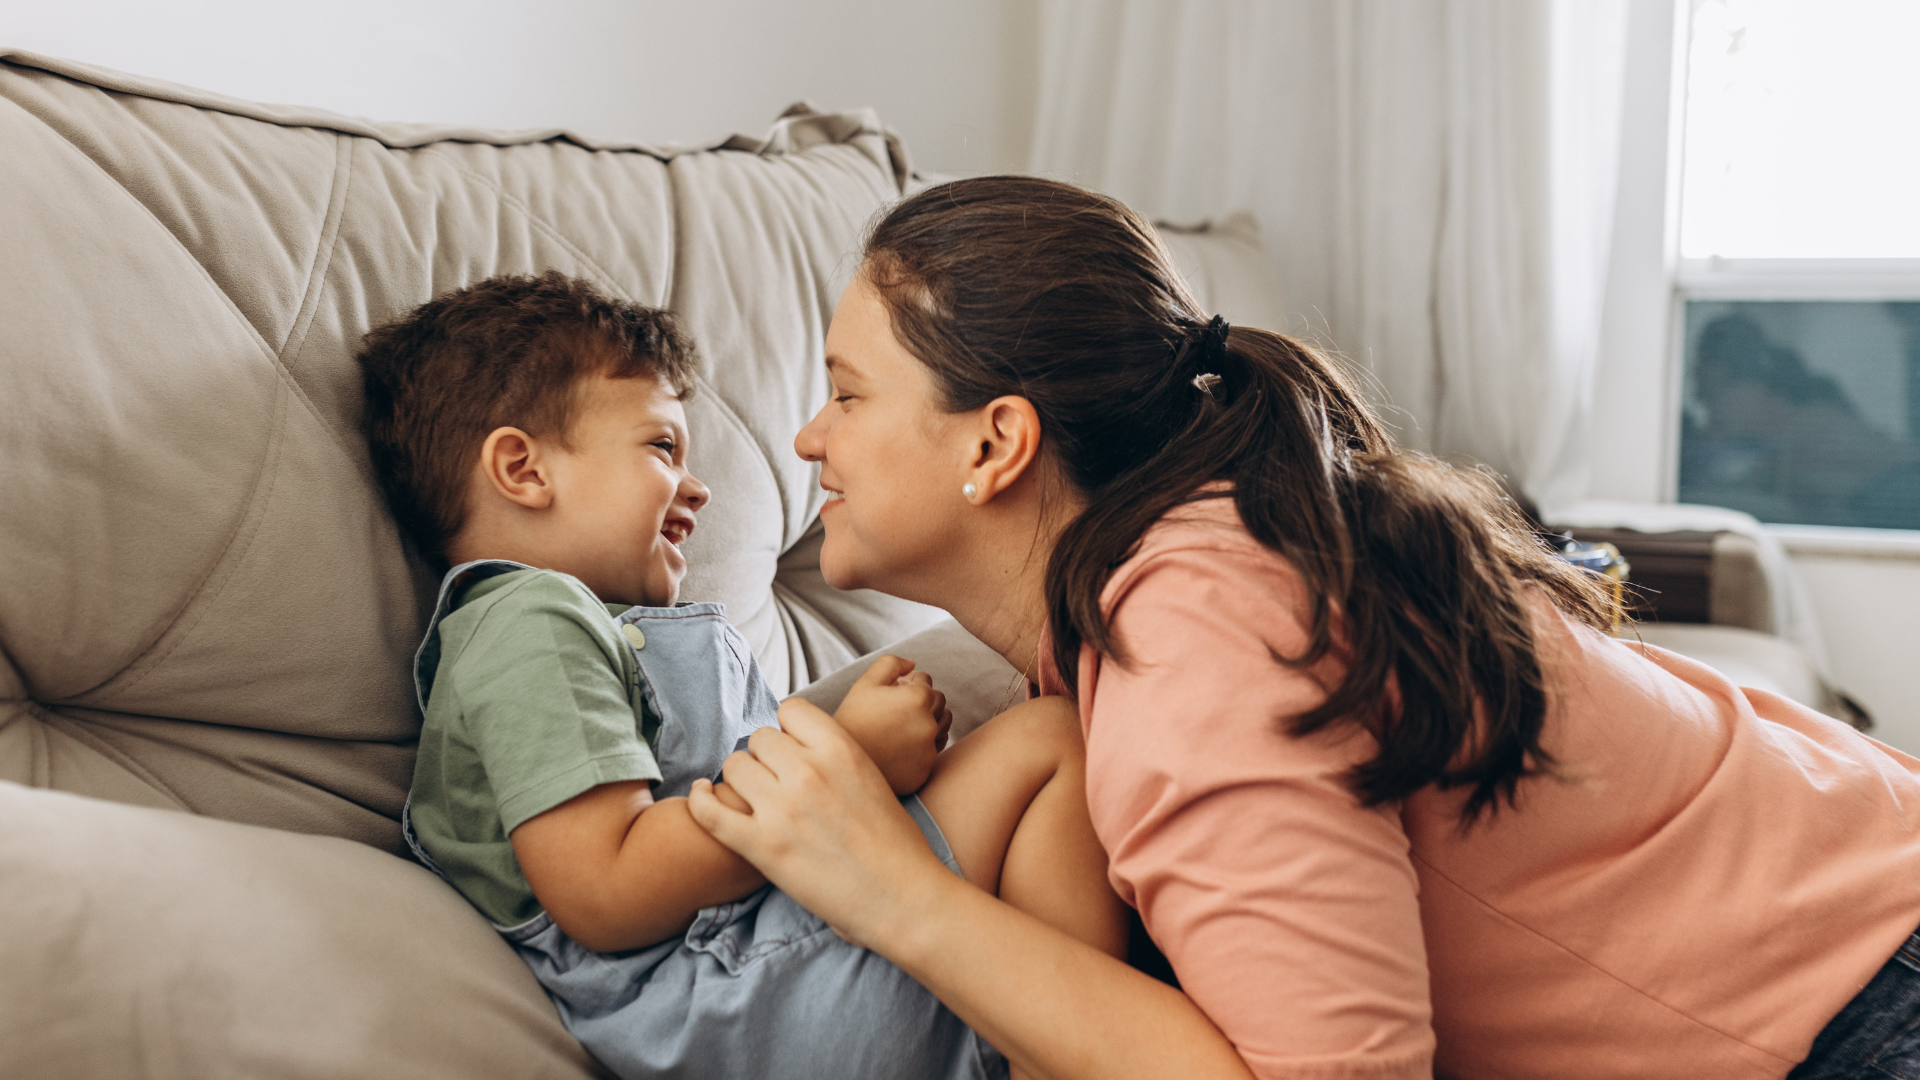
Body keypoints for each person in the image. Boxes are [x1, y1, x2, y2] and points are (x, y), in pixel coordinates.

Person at [687, 177, 1920, 1080]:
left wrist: (892, 891)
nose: (808, 439)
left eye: (847, 394)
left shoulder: (1196, 627)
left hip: (1865, 1005)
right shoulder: (1181, 572)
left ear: (995, 443)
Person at [355, 271, 1126, 1080]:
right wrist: (846, 759)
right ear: (522, 470)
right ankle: (1061, 1042)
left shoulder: (597, 630)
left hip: (772, 957)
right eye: (660, 446)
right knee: (1048, 744)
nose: (698, 487)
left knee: (1047, 749)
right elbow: (605, 885)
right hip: (724, 991)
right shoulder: (529, 623)